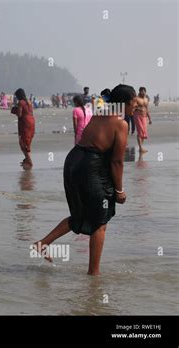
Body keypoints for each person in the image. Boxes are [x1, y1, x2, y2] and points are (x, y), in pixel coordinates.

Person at [33, 84, 135, 275]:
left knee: (82, 215)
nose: (136, 107)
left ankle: (42, 243)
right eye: (134, 103)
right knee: (100, 221)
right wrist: (119, 191)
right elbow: (117, 162)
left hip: (73, 161)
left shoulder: (101, 113)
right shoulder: (121, 124)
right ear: (124, 103)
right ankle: (93, 275)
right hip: (90, 166)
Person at [12, 88, 35, 170]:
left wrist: (14, 109)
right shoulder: (29, 102)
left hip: (25, 123)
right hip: (31, 121)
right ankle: (27, 159)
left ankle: (29, 161)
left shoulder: (21, 102)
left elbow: (19, 114)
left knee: (23, 142)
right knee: (27, 141)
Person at [134, 87, 152, 153]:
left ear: (145, 92)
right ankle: (141, 148)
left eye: (144, 91)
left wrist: (149, 118)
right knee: (140, 131)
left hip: (144, 116)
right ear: (139, 92)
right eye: (142, 91)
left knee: (144, 133)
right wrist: (137, 108)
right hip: (137, 115)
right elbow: (133, 107)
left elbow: (147, 109)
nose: (143, 93)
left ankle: (141, 147)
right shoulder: (136, 99)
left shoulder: (146, 99)